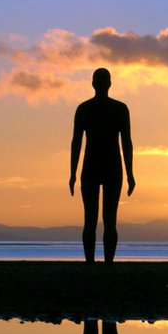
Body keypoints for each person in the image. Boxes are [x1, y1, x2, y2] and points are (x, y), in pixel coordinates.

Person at [69, 68, 135, 263]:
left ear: (93, 83)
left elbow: (75, 143)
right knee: (109, 220)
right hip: (111, 166)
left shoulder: (84, 108)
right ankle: (107, 263)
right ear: (109, 84)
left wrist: (72, 173)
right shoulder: (119, 108)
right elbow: (127, 143)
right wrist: (130, 173)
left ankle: (92, 262)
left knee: (91, 219)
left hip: (92, 166)